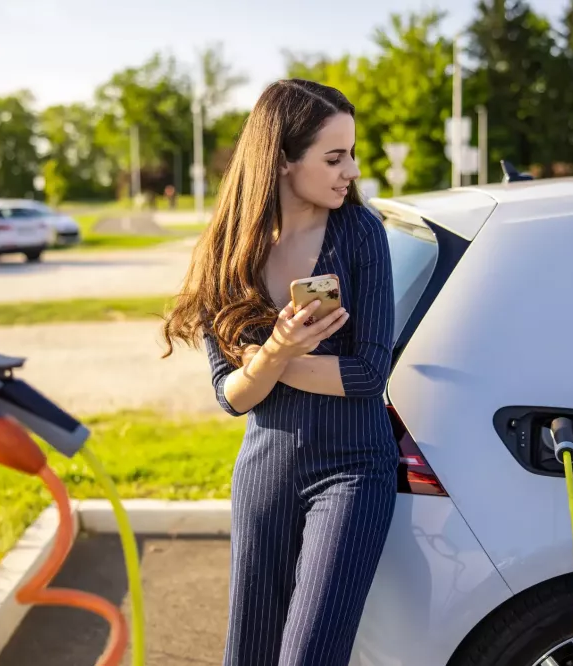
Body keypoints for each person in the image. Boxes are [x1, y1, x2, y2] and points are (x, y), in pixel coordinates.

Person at [160, 78, 398, 666]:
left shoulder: (360, 233)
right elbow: (233, 397)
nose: (351, 170)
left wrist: (275, 359)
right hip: (266, 472)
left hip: (352, 472)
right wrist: (276, 352)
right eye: (334, 157)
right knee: (249, 654)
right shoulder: (225, 253)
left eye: (352, 154)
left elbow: (369, 373)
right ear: (284, 160)